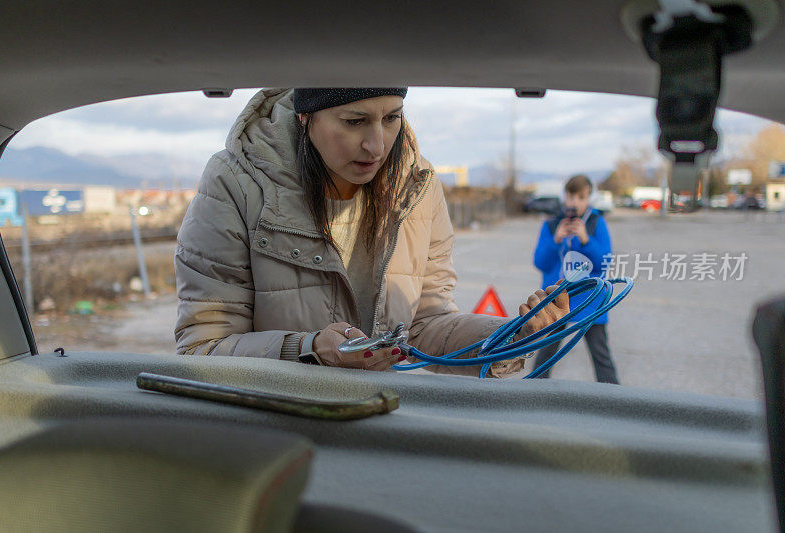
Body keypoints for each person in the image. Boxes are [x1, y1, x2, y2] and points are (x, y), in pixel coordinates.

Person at [174, 87, 569, 377]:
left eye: (392, 117)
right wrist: (309, 350)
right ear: (305, 116)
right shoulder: (236, 184)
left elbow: (424, 327)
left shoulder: (417, 187)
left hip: (376, 423)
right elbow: (202, 348)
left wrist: (513, 336)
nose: (377, 145)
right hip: (277, 432)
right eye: (354, 121)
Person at [531, 174, 618, 383]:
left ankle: (614, 397)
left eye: (581, 197)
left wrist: (586, 240)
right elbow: (540, 263)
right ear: (564, 197)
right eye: (571, 197)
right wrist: (556, 240)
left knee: (601, 355)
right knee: (545, 353)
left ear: (589, 199)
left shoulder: (596, 224)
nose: (574, 203)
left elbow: (604, 262)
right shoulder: (551, 225)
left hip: (589, 300)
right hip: (556, 300)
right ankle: (532, 393)